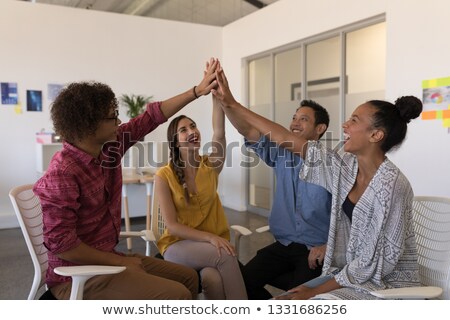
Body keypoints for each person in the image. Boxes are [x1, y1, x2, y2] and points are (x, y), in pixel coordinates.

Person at [212, 68, 422, 300]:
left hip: (384, 285)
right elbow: (281, 136)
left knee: (303, 298)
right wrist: (229, 103)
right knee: (277, 294)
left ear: (376, 135)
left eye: (354, 120)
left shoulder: (392, 186)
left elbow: (374, 263)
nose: (345, 125)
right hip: (350, 272)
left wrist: (316, 289)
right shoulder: (345, 167)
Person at [33, 58, 219, 300]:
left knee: (190, 278)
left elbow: (151, 117)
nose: (118, 122)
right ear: (89, 126)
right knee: (178, 294)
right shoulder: (62, 174)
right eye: (112, 117)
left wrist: (197, 91)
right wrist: (117, 261)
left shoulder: (108, 148)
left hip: (109, 259)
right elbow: (63, 246)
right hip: (76, 277)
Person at [222, 95, 332, 299]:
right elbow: (247, 130)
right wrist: (224, 102)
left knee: (298, 296)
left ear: (320, 128)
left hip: (314, 249)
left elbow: (347, 216)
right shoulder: (282, 154)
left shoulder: (329, 162)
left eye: (303, 119)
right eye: (294, 118)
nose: (295, 123)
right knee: (241, 284)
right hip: (284, 244)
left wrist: (328, 246)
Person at [154, 68, 247, 299]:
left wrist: (217, 94)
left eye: (193, 126)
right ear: (175, 142)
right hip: (177, 246)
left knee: (211, 278)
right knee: (226, 256)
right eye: (183, 130)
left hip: (209, 246)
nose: (191, 131)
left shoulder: (210, 165)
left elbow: (219, 132)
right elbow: (172, 226)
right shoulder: (164, 176)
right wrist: (211, 238)